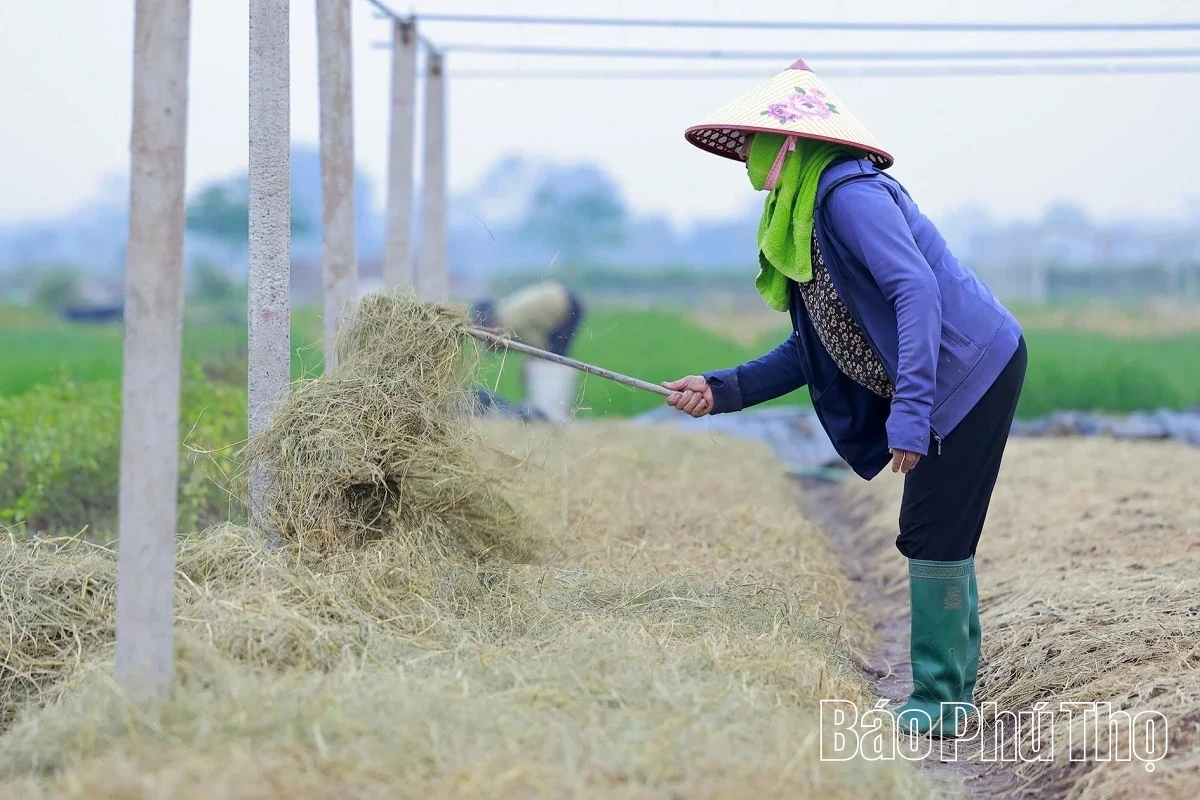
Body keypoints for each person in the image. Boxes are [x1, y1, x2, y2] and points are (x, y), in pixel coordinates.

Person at [664, 59, 1027, 736]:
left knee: (933, 527)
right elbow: (820, 343)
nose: (749, 155)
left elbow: (914, 291)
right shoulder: (797, 217)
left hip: (968, 368)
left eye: (759, 140)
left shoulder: (846, 196)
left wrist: (911, 412)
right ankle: (950, 691)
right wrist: (722, 390)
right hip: (940, 373)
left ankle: (943, 702)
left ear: (797, 143)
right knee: (938, 527)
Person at [470, 281, 585, 425]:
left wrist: (532, 364)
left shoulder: (513, 323)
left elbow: (540, 348)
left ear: (492, 324)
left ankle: (552, 415)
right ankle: (551, 413)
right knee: (550, 360)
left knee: (555, 360)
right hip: (555, 299)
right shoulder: (503, 319)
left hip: (566, 305)